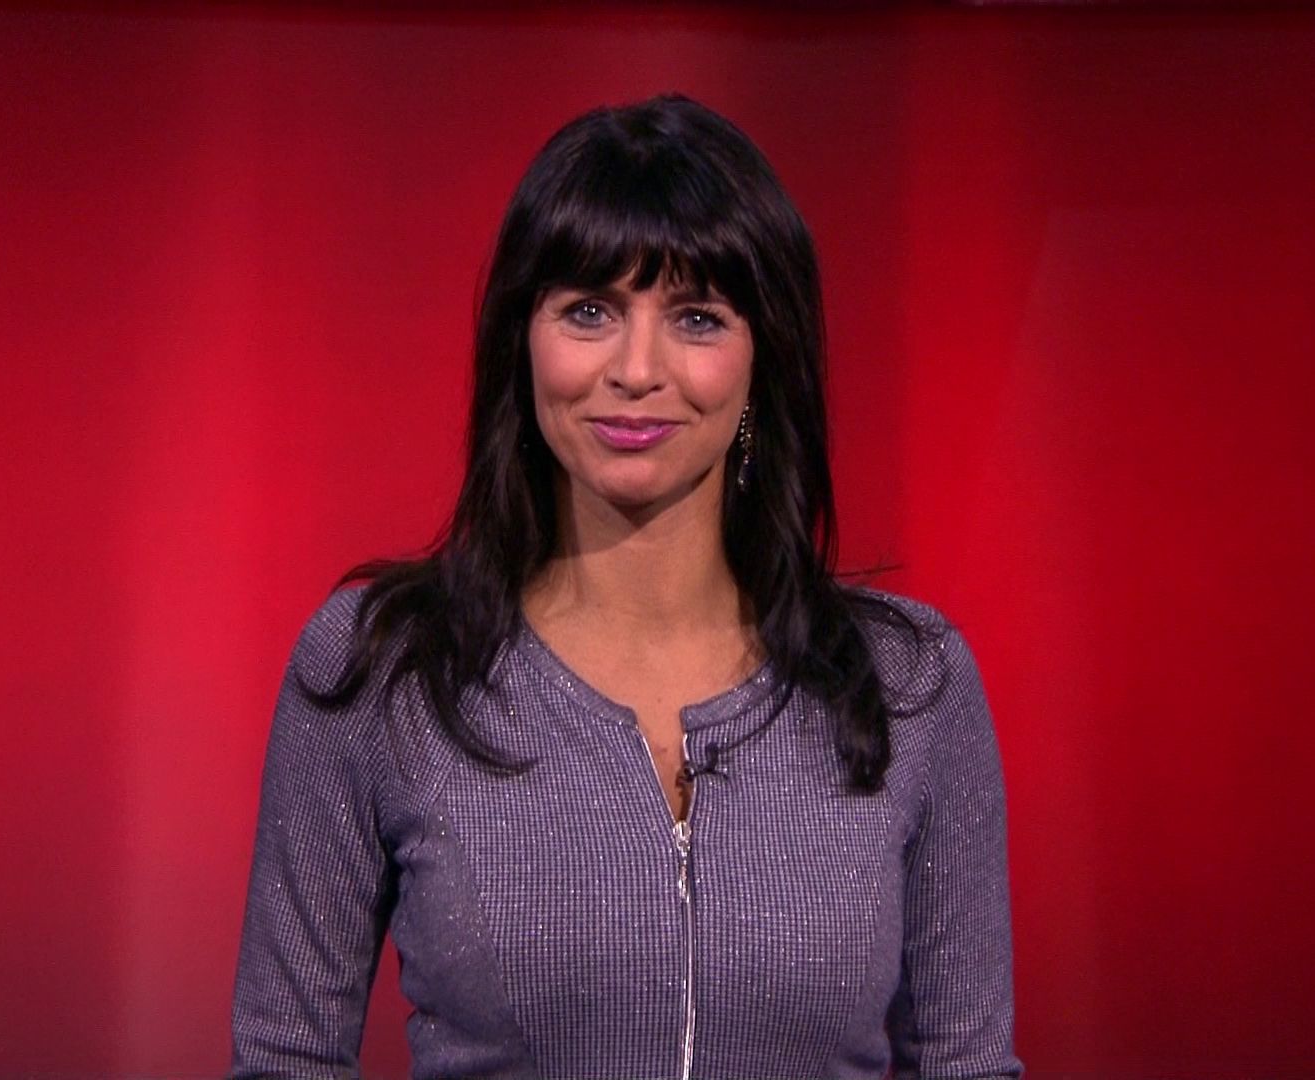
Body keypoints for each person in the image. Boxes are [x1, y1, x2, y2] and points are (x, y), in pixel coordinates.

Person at [228, 93, 1022, 1080]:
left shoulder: (910, 684)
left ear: (763, 357)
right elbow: (288, 1059)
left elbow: (967, 1064)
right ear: (522, 340)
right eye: (590, 312)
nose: (637, 370)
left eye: (696, 318)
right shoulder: (382, 669)